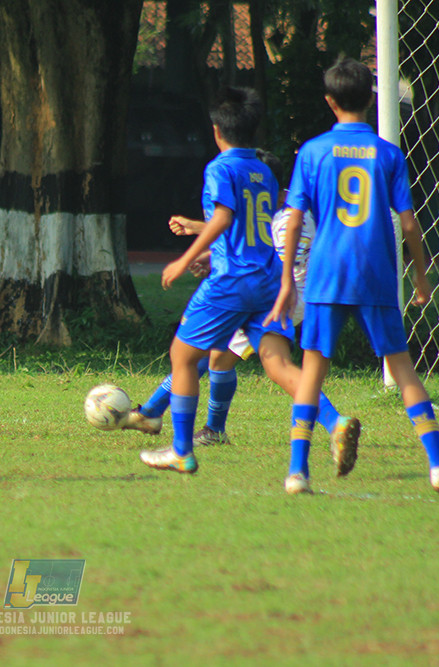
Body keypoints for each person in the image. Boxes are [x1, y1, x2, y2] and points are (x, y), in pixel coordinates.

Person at [266, 58, 439, 497]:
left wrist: (286, 281)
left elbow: (294, 218)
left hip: (324, 275)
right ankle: (438, 467)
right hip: (376, 274)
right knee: (404, 371)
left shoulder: (314, 151)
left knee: (312, 373)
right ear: (373, 99)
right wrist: (420, 275)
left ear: (329, 102)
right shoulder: (388, 153)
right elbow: (411, 225)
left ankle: (297, 473)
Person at [126, 151, 361, 477]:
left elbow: (266, 252)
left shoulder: (283, 221)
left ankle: (157, 414)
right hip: (287, 294)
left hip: (275, 293)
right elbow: (248, 234)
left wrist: (199, 245)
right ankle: (205, 427)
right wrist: (204, 239)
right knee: (221, 358)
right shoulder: (292, 213)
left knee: (196, 355)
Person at [139, 87, 292, 475]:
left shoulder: (220, 168)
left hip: (233, 280)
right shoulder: (263, 171)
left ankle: (180, 450)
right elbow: (251, 228)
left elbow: (224, 219)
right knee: (277, 365)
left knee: (184, 357)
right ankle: (335, 421)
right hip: (268, 277)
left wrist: (184, 259)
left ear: (216, 130)